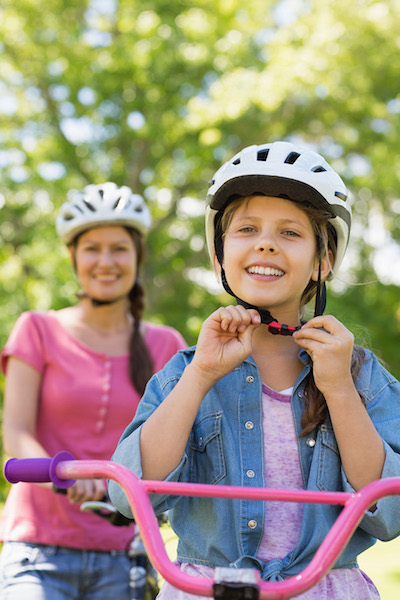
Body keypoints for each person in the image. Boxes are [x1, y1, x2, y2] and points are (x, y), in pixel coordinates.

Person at [109, 142, 400, 600]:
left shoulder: (357, 373)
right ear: (219, 255)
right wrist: (202, 373)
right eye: (247, 228)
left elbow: (387, 511)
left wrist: (339, 389)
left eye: (290, 233)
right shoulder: (184, 372)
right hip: (205, 589)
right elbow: (131, 497)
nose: (266, 243)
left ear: (322, 262)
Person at [0, 182, 186, 600]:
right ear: (73, 257)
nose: (106, 261)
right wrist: (65, 475)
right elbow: (15, 433)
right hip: (37, 546)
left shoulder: (166, 345)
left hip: (126, 552)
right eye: (92, 248)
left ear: (138, 256)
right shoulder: (37, 329)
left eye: (119, 248)